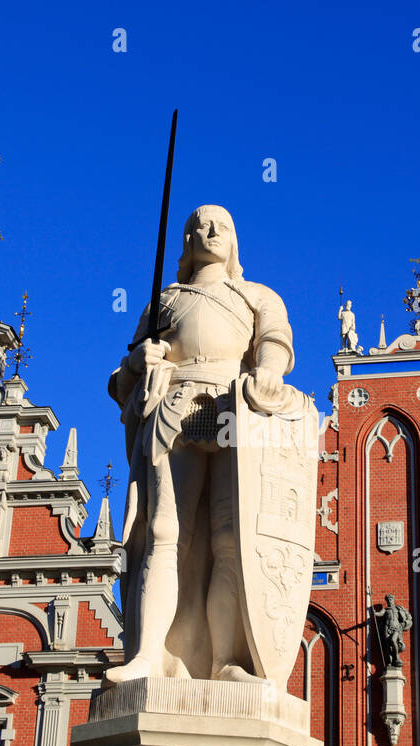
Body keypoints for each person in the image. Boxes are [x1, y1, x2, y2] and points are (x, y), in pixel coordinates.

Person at [105, 204, 311, 686]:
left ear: (235, 240)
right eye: (201, 226)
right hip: (174, 407)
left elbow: (275, 341)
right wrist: (138, 360)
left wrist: (269, 369)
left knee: (231, 540)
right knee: (163, 532)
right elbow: (119, 382)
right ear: (187, 240)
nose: (212, 231)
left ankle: (226, 661)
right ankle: (148, 656)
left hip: (235, 409)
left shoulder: (256, 295)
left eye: (223, 226)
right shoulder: (166, 302)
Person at [375, 594, 413, 670]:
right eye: (388, 600)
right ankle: (391, 660)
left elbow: (406, 617)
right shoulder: (385, 610)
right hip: (387, 628)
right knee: (388, 645)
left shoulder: (397, 609)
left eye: (391, 599)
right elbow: (380, 614)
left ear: (393, 600)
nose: (390, 601)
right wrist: (374, 613)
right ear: (387, 601)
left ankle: (396, 657)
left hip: (396, 628)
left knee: (393, 640)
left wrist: (404, 623)